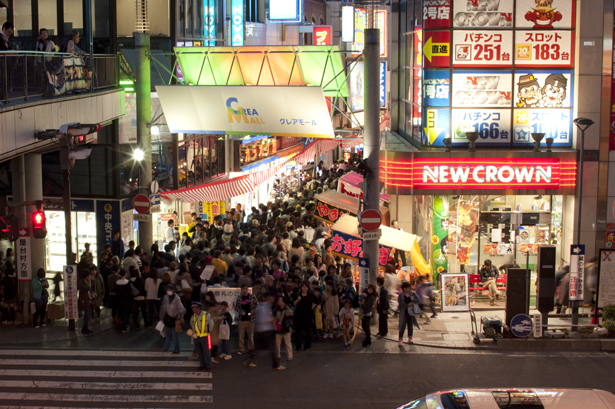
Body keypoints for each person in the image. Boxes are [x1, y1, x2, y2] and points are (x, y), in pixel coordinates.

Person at [160, 284, 186, 354]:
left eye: (170, 290)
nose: (169, 291)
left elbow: (181, 308)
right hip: (167, 318)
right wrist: (161, 318)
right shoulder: (165, 297)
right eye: (168, 290)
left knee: (175, 335)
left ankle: (176, 349)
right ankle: (166, 347)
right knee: (167, 334)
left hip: (175, 318)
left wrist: (181, 317)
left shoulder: (177, 298)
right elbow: (163, 308)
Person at [188, 301, 214, 370]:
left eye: (193, 308)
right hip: (197, 337)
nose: (192, 309)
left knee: (207, 351)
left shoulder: (206, 315)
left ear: (198, 308)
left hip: (205, 336)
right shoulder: (193, 316)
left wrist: (208, 332)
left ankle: (208, 365)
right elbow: (192, 325)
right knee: (199, 351)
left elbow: (211, 324)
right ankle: (202, 364)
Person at [293, 282, 317, 351]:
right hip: (299, 316)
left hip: (308, 316)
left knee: (308, 332)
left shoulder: (310, 295)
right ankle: (298, 346)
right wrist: (298, 300)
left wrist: (313, 306)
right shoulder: (298, 295)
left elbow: (317, 301)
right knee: (298, 332)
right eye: (303, 287)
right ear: (301, 288)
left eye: (306, 287)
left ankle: (307, 346)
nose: (305, 288)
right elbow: (293, 304)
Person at [236, 284, 257, 356]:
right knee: (241, 335)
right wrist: (240, 312)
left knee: (250, 335)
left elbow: (257, 305)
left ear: (247, 289)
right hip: (242, 318)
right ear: (241, 290)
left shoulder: (252, 297)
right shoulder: (239, 298)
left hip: (250, 318)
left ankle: (251, 348)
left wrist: (253, 311)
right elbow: (237, 307)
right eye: (243, 289)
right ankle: (241, 349)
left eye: (246, 288)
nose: (245, 290)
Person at [274, 296, 293, 367]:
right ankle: (278, 355)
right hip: (280, 328)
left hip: (285, 328)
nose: (279, 301)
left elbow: (291, 318)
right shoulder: (277, 309)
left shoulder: (287, 310)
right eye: (279, 300)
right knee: (278, 343)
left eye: (280, 300)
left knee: (287, 342)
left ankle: (289, 355)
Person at [114, 269, 134, 333]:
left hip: (119, 301)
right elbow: (130, 293)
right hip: (126, 301)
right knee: (126, 314)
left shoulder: (117, 282)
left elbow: (116, 292)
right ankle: (125, 327)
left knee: (121, 313)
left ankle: (123, 326)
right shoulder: (127, 282)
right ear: (125, 274)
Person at [78, 270, 94, 335]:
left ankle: (85, 327)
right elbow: (88, 288)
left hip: (87, 299)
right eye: (89, 275)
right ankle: (84, 328)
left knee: (87, 314)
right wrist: (89, 282)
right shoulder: (81, 282)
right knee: (87, 313)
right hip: (83, 300)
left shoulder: (85, 281)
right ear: (86, 276)